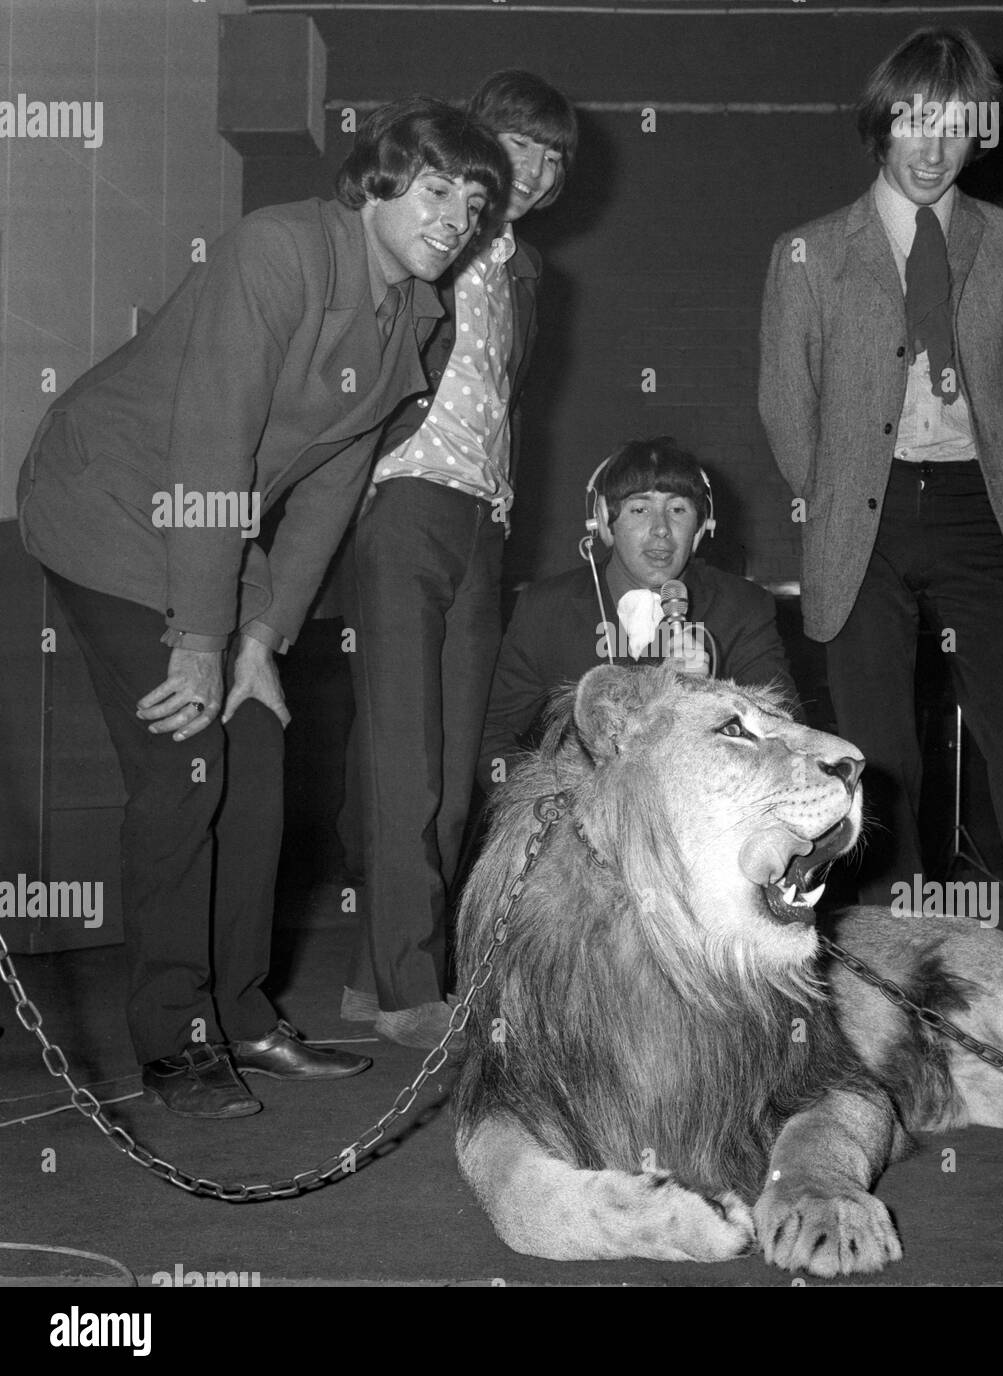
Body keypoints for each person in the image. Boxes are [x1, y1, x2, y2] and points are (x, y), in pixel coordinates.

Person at [16, 97, 510, 1117]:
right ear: (376, 181)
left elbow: (329, 485)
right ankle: (172, 1036)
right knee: (188, 757)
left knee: (261, 753)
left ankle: (238, 1014)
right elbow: (211, 441)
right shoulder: (276, 249)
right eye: (434, 190)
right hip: (106, 497)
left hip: (210, 527)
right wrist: (199, 641)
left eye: (472, 204)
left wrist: (261, 637)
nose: (455, 218)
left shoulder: (417, 318)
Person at [759, 27, 1003, 995]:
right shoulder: (807, 253)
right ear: (882, 124)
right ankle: (893, 986)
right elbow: (786, 407)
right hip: (859, 522)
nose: (930, 145)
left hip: (971, 509)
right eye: (914, 121)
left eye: (955, 127)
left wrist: (968, 469)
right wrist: (842, 494)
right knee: (879, 758)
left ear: (980, 136)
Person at [338, 72, 579, 1048]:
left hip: (482, 518)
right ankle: (407, 986)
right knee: (404, 756)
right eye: (519, 143)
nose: (535, 167)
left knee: (458, 758)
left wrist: (508, 503)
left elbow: (503, 399)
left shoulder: (528, 275)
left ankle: (381, 972)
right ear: (479, 141)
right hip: (400, 502)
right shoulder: (423, 233)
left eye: (554, 157)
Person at [478, 436, 799, 788]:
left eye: (678, 510)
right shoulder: (546, 609)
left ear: (699, 529)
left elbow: (785, 730)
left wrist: (710, 692)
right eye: (640, 509)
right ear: (603, 520)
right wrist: (540, 806)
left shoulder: (743, 607)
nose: (661, 528)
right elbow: (491, 734)